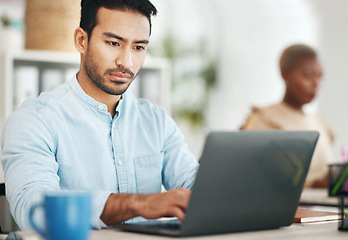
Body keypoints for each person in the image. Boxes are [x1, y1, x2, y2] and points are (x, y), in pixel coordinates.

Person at [1, 0, 199, 230]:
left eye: (139, 47)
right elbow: (34, 209)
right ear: (81, 40)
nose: (126, 62)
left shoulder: (156, 121)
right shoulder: (34, 120)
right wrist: (136, 204)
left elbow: (198, 187)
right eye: (114, 43)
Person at [241, 44, 334, 188]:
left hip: (323, 209)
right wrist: (313, 183)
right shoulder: (264, 118)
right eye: (308, 75)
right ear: (285, 74)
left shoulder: (320, 123)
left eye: (320, 77)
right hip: (282, 209)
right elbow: (261, 177)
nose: (316, 84)